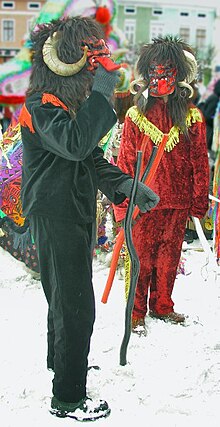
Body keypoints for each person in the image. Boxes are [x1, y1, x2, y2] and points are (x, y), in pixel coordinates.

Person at [19, 16, 159, 421]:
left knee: (63, 299)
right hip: (54, 212)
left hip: (73, 210)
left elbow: (91, 159)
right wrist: (103, 88)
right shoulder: (39, 105)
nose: (102, 60)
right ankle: (68, 396)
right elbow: (77, 144)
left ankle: (63, 364)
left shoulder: (68, 105)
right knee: (75, 305)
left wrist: (127, 187)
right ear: (69, 57)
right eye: (92, 53)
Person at [113, 35, 210, 334]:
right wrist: (122, 205)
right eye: (155, 72)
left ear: (178, 74)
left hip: (177, 202)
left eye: (167, 71)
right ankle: (137, 312)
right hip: (144, 203)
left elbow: (199, 161)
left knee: (169, 259)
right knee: (140, 258)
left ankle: (163, 305)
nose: (160, 78)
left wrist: (198, 201)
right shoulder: (135, 115)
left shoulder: (192, 117)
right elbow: (126, 162)